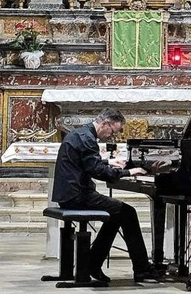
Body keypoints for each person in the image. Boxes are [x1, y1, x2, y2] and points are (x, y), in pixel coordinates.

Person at [52, 107, 161, 283]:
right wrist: (130, 172)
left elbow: (86, 162)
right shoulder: (88, 139)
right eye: (113, 131)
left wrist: (109, 161)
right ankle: (141, 269)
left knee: (117, 215)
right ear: (105, 123)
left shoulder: (80, 134)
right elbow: (98, 172)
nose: (112, 136)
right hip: (77, 196)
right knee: (128, 213)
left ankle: (93, 263)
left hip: (69, 194)